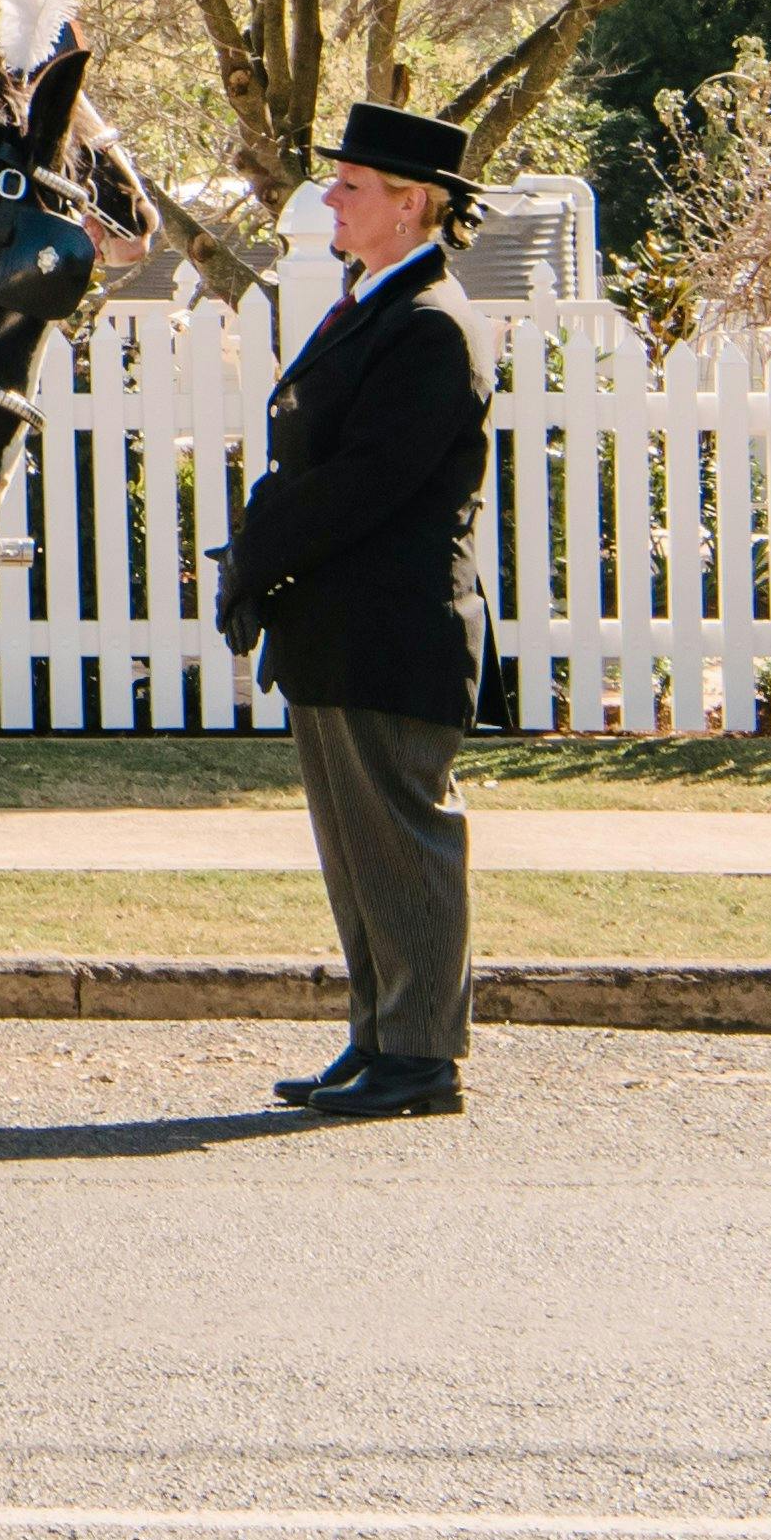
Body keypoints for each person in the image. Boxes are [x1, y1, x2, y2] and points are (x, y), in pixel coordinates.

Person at [219, 98, 495, 1122]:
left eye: (350, 184)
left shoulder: (427, 323)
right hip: (339, 626)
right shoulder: (377, 301)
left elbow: (364, 482)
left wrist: (255, 552)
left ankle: (421, 1054)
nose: (328, 195)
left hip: (391, 628)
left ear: (411, 202)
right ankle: (379, 1033)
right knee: (357, 853)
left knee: (404, 843)